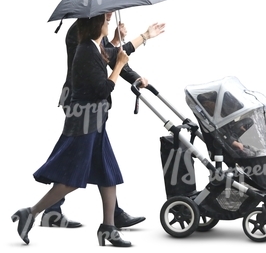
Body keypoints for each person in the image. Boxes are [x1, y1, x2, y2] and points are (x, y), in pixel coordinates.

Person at [11, 13, 165, 247]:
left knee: (107, 172)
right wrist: (119, 59)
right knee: (72, 176)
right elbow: (103, 84)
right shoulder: (83, 45)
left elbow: (111, 55)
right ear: (95, 22)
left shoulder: (93, 43)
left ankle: (108, 227)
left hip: (94, 118)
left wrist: (142, 37)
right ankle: (31, 213)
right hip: (83, 118)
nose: (110, 19)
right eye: (106, 19)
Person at [41, 12, 151, 229]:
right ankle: (47, 211)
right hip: (80, 102)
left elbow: (107, 54)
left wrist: (134, 74)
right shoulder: (79, 31)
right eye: (107, 13)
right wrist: (140, 38)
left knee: (98, 158)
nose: (109, 16)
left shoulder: (93, 31)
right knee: (79, 157)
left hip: (91, 105)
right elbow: (98, 61)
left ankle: (109, 217)